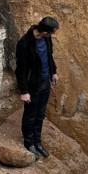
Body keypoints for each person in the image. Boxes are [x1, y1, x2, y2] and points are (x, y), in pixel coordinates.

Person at [15, 16, 59, 158]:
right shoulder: (24, 44)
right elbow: (20, 69)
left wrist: (53, 72)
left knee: (40, 114)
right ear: (45, 32)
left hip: (44, 82)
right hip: (32, 85)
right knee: (30, 115)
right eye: (51, 33)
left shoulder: (46, 39)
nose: (51, 35)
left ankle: (37, 141)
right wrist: (24, 91)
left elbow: (49, 56)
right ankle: (29, 143)